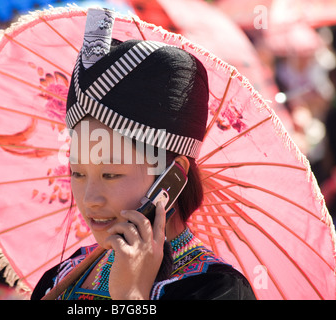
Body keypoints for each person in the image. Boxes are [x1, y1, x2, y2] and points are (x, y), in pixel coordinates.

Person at [31, 8, 255, 300]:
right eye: (78, 173)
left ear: (172, 178)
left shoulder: (217, 290)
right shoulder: (60, 279)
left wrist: (132, 296)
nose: (89, 199)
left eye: (111, 174)